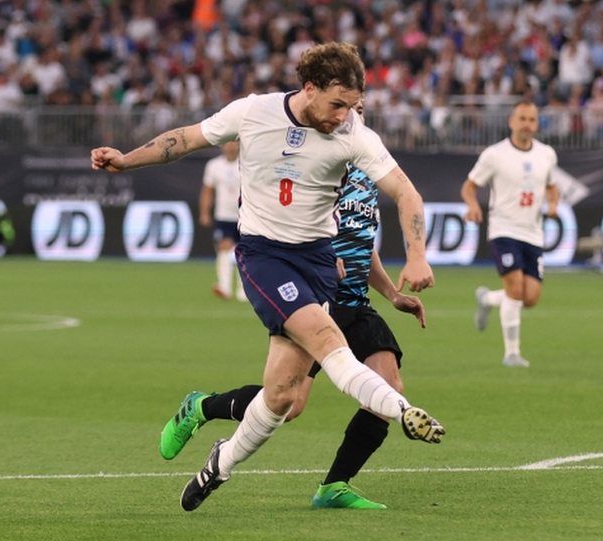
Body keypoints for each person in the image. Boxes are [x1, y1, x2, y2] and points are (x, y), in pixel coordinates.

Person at [90, 42, 444, 512]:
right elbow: (187, 139)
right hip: (265, 257)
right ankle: (402, 412)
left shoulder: (354, 133)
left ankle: (220, 462)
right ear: (309, 87)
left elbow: (406, 192)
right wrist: (126, 159)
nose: (343, 116)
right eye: (337, 104)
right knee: (327, 339)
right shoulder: (254, 111)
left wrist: (416, 255)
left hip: (318, 261)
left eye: (352, 106)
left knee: (281, 398)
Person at [161, 101, 424, 510]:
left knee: (388, 389)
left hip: (356, 301)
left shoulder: (372, 171)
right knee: (289, 403)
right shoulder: (322, 165)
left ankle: (333, 486)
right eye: (345, 105)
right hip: (314, 298)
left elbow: (361, 245)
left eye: (359, 107)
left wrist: (391, 293)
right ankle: (201, 407)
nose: (352, 113)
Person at [461, 100, 559, 368]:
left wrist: (553, 204)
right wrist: (473, 205)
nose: (527, 124)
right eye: (523, 118)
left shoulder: (547, 154)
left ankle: (487, 299)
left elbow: (552, 187)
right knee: (515, 290)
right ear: (512, 122)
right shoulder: (495, 154)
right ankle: (511, 353)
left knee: (530, 298)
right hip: (503, 229)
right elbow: (469, 186)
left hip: (533, 233)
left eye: (532, 119)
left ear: (537, 124)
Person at [199, 141, 247, 301]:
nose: (231, 147)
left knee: (244, 251)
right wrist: (204, 212)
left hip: (245, 216)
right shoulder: (214, 166)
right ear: (222, 146)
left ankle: (243, 290)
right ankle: (224, 287)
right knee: (224, 248)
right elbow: (207, 191)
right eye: (228, 143)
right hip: (224, 215)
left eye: (234, 143)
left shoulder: (247, 163)